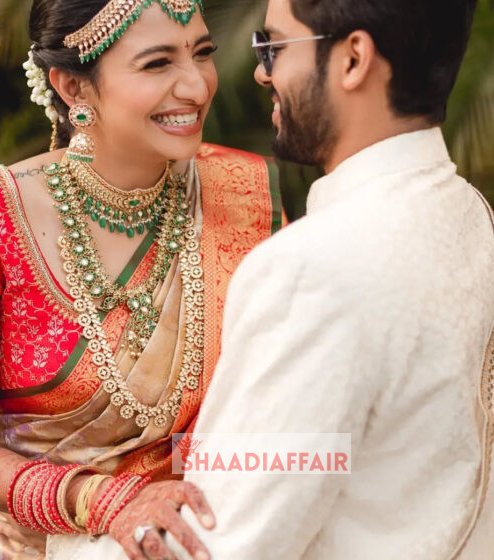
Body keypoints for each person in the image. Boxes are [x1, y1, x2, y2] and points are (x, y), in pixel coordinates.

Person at [59, 0, 494, 558]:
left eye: (275, 47)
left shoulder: (314, 270)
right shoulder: (471, 214)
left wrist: (51, 542)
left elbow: (218, 541)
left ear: (353, 59)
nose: (262, 73)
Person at [0, 1, 283, 559]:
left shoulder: (242, 193)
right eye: (157, 63)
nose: (196, 87)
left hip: (213, 533)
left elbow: (282, 402)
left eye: (203, 53)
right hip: (46, 546)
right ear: (72, 86)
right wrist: (103, 502)